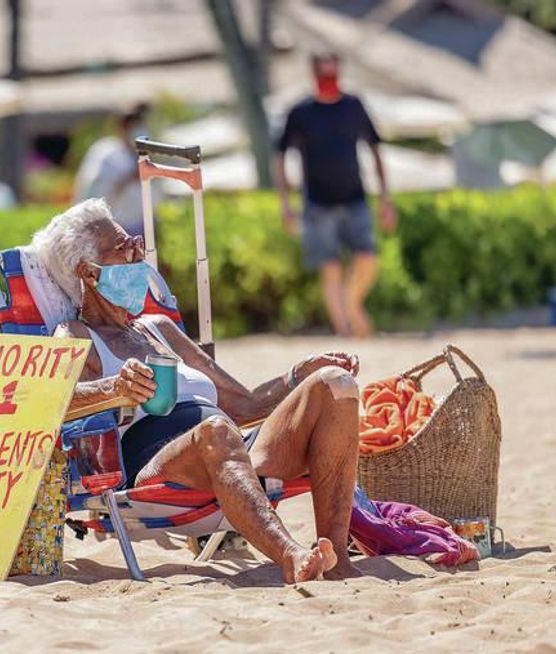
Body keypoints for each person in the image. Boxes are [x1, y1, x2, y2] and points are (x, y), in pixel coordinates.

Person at [32, 198, 363, 583]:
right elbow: (48, 401)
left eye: (137, 243)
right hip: (157, 465)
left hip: (231, 451)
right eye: (125, 249)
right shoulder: (75, 335)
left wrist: (298, 374)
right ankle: (290, 555)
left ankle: (337, 558)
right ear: (89, 273)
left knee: (336, 387)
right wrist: (113, 388)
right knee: (217, 433)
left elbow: (243, 403)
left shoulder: (159, 328)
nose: (139, 256)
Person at [274, 52, 397, 338]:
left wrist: (385, 198)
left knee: (367, 258)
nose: (329, 81)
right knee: (330, 269)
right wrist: (285, 202)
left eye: (332, 75)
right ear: (314, 75)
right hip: (316, 202)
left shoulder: (354, 106)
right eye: (323, 75)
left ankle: (352, 307)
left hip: (355, 197)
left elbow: (376, 148)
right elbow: (279, 155)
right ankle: (344, 331)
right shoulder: (300, 112)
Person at [73, 103, 152, 236]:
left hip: (138, 229)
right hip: (108, 231)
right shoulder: (105, 152)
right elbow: (94, 193)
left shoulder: (140, 156)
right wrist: (128, 179)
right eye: (134, 126)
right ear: (123, 127)